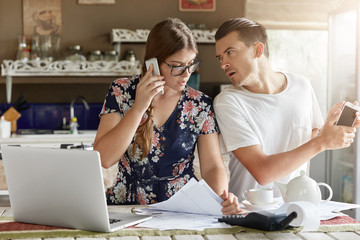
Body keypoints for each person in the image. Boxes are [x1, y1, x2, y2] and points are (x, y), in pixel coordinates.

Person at [94, 18, 240, 214]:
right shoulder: (121, 91)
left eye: (191, 64)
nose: (186, 74)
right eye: (177, 66)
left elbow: (213, 166)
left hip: (183, 209)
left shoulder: (200, 104)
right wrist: (139, 107)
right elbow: (104, 158)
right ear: (152, 62)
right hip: (127, 208)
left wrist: (220, 198)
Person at [213, 17, 359, 199]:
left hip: (298, 206)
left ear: (258, 50)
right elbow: (262, 173)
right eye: (220, 57)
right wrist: (323, 141)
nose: (223, 64)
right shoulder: (227, 102)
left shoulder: (302, 86)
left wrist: (328, 131)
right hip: (248, 213)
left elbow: (309, 144)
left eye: (230, 52)